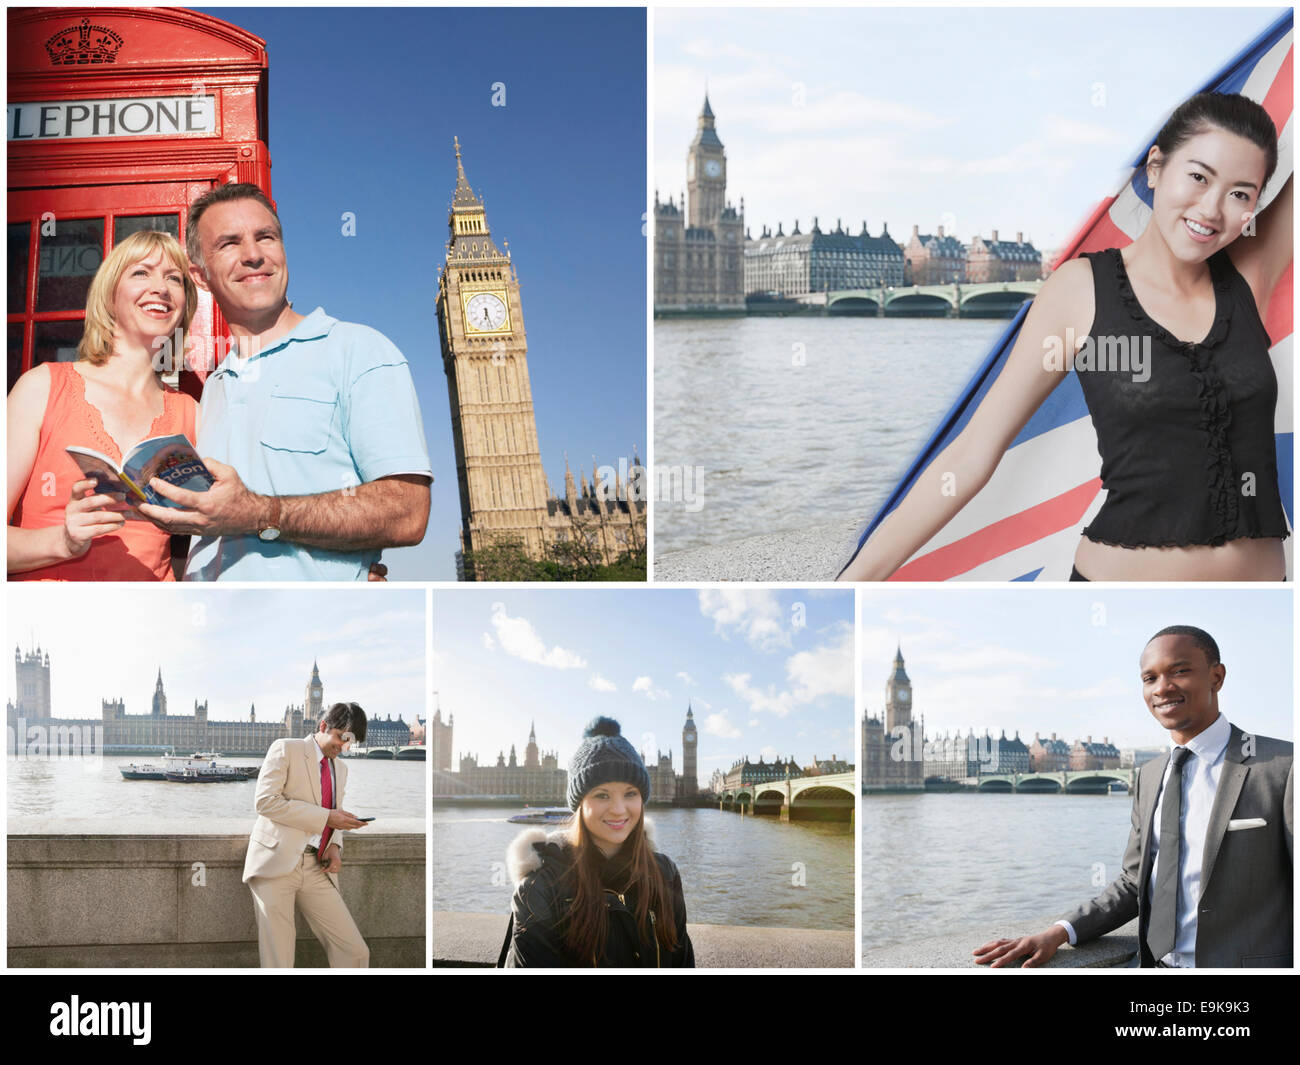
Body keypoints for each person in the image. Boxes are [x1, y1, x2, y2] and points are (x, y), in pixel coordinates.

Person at [839, 92, 1293, 582]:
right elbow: (973, 453)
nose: (1212, 208)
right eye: (1199, 176)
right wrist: (857, 581)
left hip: (1265, 604)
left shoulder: (1248, 277)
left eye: (1241, 194)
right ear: (1157, 167)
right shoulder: (1080, 291)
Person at [138, 182, 432, 580]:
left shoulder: (358, 351)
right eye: (229, 243)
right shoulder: (213, 389)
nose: (254, 255)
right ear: (201, 276)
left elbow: (408, 511)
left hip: (314, 634)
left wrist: (260, 513)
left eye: (266, 237)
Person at [973, 625, 1293, 968]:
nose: (1162, 688)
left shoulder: (1282, 766)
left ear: (1217, 676)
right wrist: (1060, 931)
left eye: (1180, 671)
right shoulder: (1151, 775)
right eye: (1149, 678)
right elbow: (1134, 883)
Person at [8, 229, 199, 580]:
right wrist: (63, 542)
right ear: (110, 296)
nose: (161, 287)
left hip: (151, 625)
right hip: (48, 626)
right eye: (141, 272)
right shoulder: (42, 387)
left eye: (174, 278)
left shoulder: (193, 413)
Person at [500, 716, 694, 967]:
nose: (618, 809)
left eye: (630, 793)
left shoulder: (664, 873)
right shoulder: (539, 888)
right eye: (602, 795)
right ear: (579, 804)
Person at [243, 702, 371, 968]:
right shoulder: (286, 749)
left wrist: (335, 845)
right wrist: (325, 817)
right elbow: (266, 802)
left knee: (355, 952)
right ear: (323, 726)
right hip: (275, 864)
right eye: (341, 738)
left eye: (350, 742)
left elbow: (334, 813)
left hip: (316, 867)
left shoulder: (341, 769)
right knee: (279, 960)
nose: (343, 747)